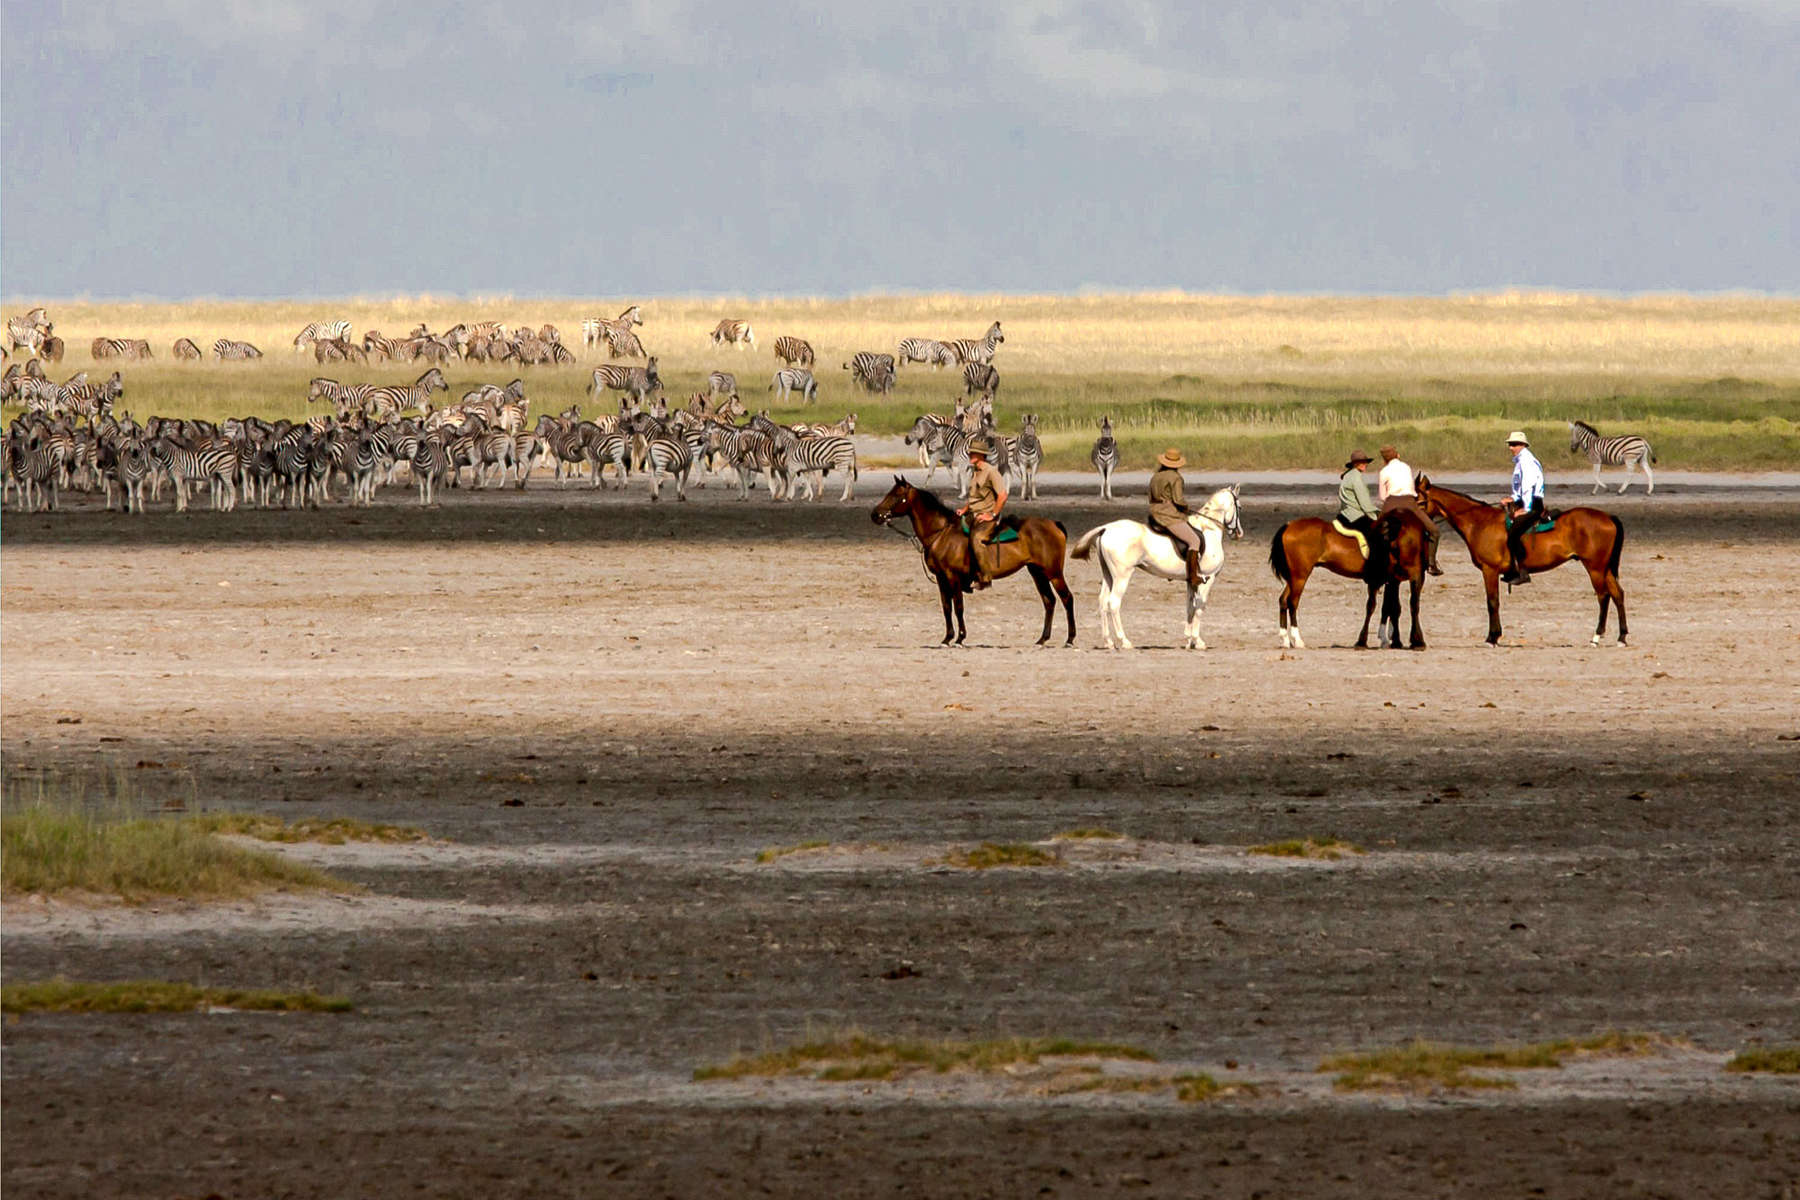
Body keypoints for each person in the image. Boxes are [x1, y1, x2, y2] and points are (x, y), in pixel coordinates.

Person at [1377, 444, 1442, 575]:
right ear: (1398, 455)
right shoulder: (1406, 467)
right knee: (1434, 531)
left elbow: (1382, 496)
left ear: (1384, 460)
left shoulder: (1383, 471)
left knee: (1374, 533)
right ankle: (1431, 563)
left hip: (1390, 503)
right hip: (1410, 503)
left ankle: (1376, 566)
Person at [1147, 446, 1203, 588]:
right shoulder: (1176, 478)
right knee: (1194, 541)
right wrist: (1186, 507)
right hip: (1168, 515)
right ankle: (1193, 576)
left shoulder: (1156, 476)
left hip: (1154, 512)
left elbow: (1150, 497)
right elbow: (1178, 500)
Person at [957, 435, 1007, 589]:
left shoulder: (991, 472)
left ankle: (985, 577)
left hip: (987, 517)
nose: (970, 455)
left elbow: (1003, 495)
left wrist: (992, 514)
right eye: (970, 453)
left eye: (974, 453)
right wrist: (964, 509)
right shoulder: (975, 471)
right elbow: (974, 496)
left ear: (981, 456)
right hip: (973, 514)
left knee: (977, 539)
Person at [1503, 430, 1545, 585]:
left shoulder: (1526, 461)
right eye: (1510, 444)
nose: (1510, 448)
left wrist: (1525, 509)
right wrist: (1512, 498)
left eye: (1513, 444)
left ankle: (1523, 572)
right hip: (1525, 501)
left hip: (1533, 503)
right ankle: (1510, 567)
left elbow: (1528, 487)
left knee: (1513, 533)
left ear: (1522, 445)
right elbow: (1519, 489)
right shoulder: (1520, 461)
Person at [1336, 449, 1383, 575]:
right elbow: (1365, 504)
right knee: (1377, 537)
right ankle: (1373, 569)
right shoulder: (1356, 477)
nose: (1365, 464)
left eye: (1365, 462)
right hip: (1355, 516)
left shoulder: (1348, 475)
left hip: (1345, 514)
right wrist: (1378, 514)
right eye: (1362, 462)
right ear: (1355, 464)